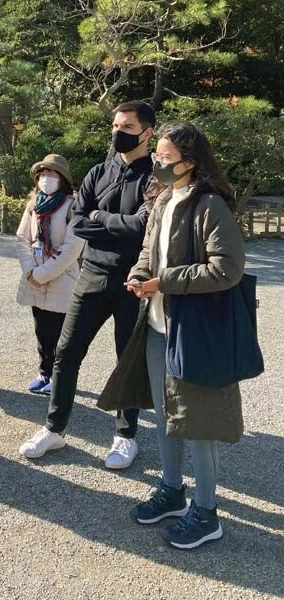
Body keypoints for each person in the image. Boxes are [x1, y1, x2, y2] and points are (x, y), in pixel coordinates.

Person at [102, 121, 245, 549]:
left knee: (197, 423)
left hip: (195, 331)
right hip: (158, 326)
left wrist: (163, 281)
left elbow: (227, 269)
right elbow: (149, 251)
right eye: (157, 156)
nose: (158, 163)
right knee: (165, 418)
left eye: (165, 158)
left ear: (191, 163)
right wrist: (139, 273)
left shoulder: (209, 205)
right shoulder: (164, 198)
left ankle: (206, 512)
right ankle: (172, 491)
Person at [19, 100, 155, 468]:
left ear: (147, 133)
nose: (118, 133)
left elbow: (143, 227)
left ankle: (126, 436)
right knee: (66, 354)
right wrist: (109, 221)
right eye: (115, 125)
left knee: (127, 360)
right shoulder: (98, 172)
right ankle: (54, 428)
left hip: (132, 280)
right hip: (91, 274)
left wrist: (99, 216)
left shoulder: (155, 177)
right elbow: (79, 222)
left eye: (127, 127)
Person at [16, 155, 84, 394]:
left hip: (61, 277)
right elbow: (23, 238)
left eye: (52, 174)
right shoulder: (34, 204)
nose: (46, 179)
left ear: (62, 179)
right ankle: (44, 372)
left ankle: (59, 376)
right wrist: (30, 270)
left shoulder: (72, 206)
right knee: (41, 330)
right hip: (34, 275)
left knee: (61, 332)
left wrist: (44, 272)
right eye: (43, 174)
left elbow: (73, 247)